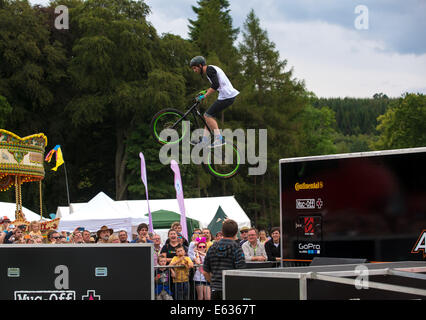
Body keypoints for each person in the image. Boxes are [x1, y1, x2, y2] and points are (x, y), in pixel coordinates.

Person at [189, 56, 239, 147]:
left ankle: (219, 139)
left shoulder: (209, 70)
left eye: (195, 68)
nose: (194, 70)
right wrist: (205, 91)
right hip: (225, 96)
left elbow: (216, 85)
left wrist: (204, 96)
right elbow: (215, 84)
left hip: (227, 96)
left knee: (207, 115)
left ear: (200, 65)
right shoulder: (210, 69)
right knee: (208, 116)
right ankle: (204, 140)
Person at [203, 219, 246, 300]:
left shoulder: (212, 247)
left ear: (222, 231)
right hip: (232, 290)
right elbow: (241, 271)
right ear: (236, 232)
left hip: (215, 290)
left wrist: (214, 283)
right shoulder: (236, 248)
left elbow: (205, 271)